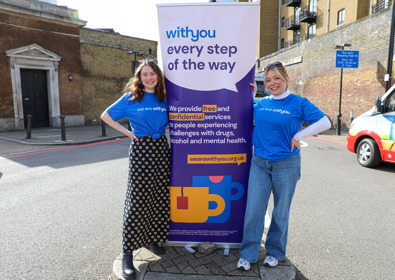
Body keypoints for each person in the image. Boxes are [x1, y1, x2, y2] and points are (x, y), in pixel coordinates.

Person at [237, 61, 331, 270]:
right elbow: (249, 116)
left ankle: (275, 252)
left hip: (287, 165)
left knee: (280, 212)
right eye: (268, 80)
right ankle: (249, 253)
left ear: (286, 79)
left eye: (277, 78)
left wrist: (299, 135)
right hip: (260, 163)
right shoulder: (261, 104)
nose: (272, 83)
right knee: (254, 210)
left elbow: (325, 122)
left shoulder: (298, 103)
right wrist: (251, 98)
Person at [101, 60, 171, 280]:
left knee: (159, 196)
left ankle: (153, 238)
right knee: (138, 200)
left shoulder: (164, 98)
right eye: (145, 75)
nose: (149, 78)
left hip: (161, 149)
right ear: (139, 78)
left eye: (153, 74)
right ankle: (128, 253)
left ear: (158, 76)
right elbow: (106, 115)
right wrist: (127, 132)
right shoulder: (131, 98)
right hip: (141, 150)